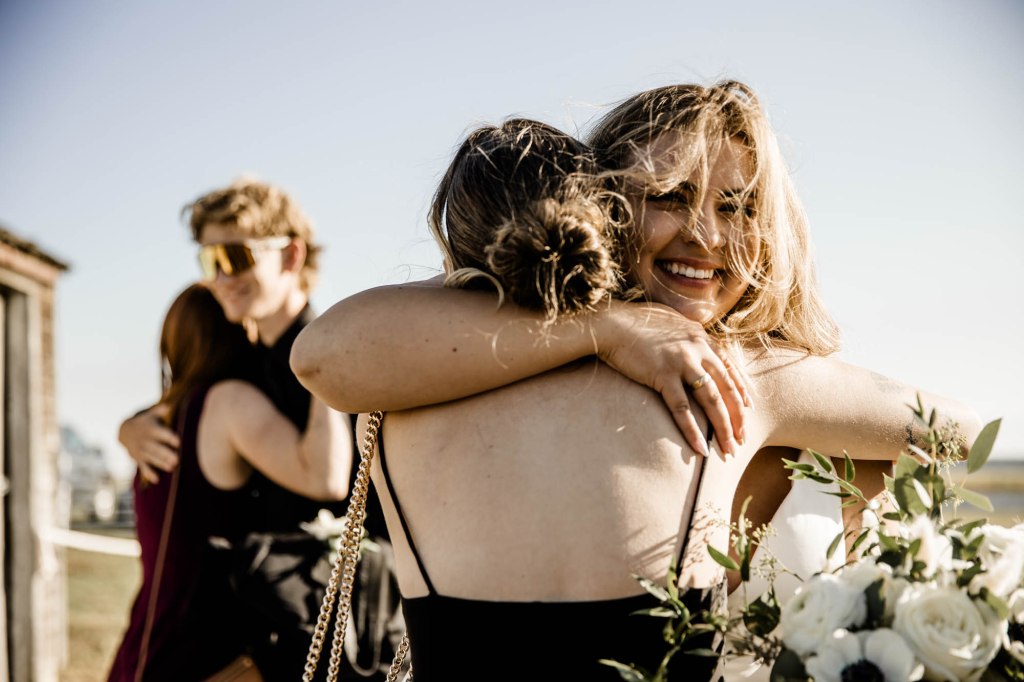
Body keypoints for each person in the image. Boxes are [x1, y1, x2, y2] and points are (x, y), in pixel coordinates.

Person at [292, 83, 982, 677]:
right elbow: (965, 433)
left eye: (739, 208)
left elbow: (957, 430)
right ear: (602, 203)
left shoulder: (425, 363)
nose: (708, 235)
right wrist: (607, 328)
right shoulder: (751, 381)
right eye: (670, 196)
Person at [117, 178, 403, 680]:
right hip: (270, 640)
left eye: (235, 257)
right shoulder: (250, 368)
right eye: (209, 262)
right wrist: (133, 425)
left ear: (290, 257)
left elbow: (339, 484)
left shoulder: (343, 355)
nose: (220, 278)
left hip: (347, 635)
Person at [108, 284, 350, 681]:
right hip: (205, 657)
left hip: (143, 648)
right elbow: (325, 477)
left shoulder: (160, 417)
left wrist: (125, 427)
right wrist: (320, 366)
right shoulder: (227, 401)